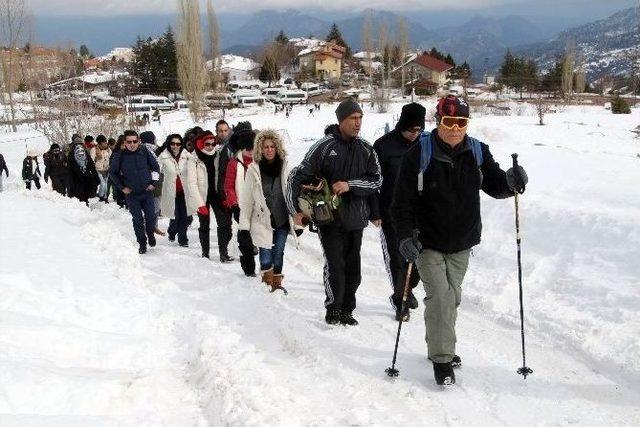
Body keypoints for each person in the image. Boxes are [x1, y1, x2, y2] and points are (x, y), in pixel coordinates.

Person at [391, 95, 528, 386]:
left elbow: (495, 185)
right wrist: (404, 236)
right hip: (426, 241)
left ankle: (438, 345)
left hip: (463, 240)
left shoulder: (477, 151)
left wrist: (512, 182)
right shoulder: (418, 154)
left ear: (467, 124)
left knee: (451, 298)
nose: (454, 128)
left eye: (461, 122)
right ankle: (442, 360)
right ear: (438, 121)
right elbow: (400, 203)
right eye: (448, 122)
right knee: (441, 297)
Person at [286, 98, 382, 326]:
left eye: (360, 118)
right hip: (328, 219)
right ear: (341, 120)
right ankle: (333, 308)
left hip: (356, 219)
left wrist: (351, 185)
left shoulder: (366, 149)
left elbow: (376, 180)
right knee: (335, 266)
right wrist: (295, 209)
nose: (358, 123)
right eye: (353, 118)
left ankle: (348, 309)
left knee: (354, 270)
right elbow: (296, 176)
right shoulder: (324, 146)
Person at [373, 103, 426, 321]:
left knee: (420, 258)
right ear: (402, 126)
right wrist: (375, 211)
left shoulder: (426, 145)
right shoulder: (384, 146)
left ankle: (408, 287)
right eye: (411, 130)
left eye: (419, 130)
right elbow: (374, 182)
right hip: (390, 212)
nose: (415, 134)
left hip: (419, 213)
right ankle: (400, 300)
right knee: (397, 259)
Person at [239, 129, 301, 292]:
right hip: (262, 219)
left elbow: (294, 196)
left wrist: (298, 224)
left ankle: (277, 283)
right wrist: (243, 227)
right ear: (260, 148)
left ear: (277, 147)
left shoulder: (285, 166)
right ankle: (267, 283)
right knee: (265, 255)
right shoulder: (254, 170)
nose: (269, 150)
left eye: (272, 146)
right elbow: (246, 200)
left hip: (281, 219)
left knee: (278, 252)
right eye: (265, 147)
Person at [109, 130, 160, 254]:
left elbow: (155, 167)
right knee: (137, 220)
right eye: (129, 142)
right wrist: (122, 188)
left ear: (139, 141)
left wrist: (153, 184)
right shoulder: (119, 156)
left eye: (135, 141)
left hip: (146, 192)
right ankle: (142, 243)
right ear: (125, 143)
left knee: (151, 217)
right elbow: (113, 173)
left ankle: (150, 233)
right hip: (132, 195)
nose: (132, 144)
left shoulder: (144, 151)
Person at [224, 123, 256, 276]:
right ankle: (248, 268)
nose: (250, 152)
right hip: (241, 207)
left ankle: (266, 268)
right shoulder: (234, 164)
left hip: (259, 207)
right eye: (247, 149)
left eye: (253, 148)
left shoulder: (260, 163)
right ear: (241, 149)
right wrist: (234, 205)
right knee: (245, 238)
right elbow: (229, 186)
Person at [158, 134, 197, 247]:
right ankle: (172, 231)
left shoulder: (187, 155)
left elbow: (195, 167)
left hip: (184, 192)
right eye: (173, 144)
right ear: (169, 144)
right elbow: (156, 170)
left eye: (178, 144)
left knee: (184, 216)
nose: (175, 146)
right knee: (175, 216)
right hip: (171, 192)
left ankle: (183, 239)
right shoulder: (163, 156)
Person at [67, 138, 98, 204]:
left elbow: (69, 169)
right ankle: (85, 205)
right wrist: (96, 176)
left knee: (79, 195)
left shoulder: (71, 153)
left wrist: (70, 183)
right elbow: (91, 164)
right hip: (86, 176)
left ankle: (82, 208)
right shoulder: (85, 152)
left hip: (76, 178)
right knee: (85, 193)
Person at [90, 135, 112, 202]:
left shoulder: (108, 150)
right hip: (98, 170)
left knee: (106, 185)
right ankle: (100, 196)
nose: (106, 143)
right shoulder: (94, 150)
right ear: (100, 143)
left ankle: (105, 197)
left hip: (106, 169)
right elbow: (91, 160)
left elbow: (111, 158)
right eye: (104, 142)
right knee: (103, 184)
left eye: (106, 142)